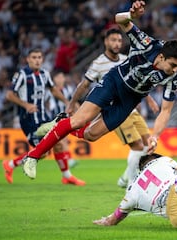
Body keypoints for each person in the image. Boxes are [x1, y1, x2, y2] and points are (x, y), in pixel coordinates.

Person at [21, 0, 177, 180]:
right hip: (114, 81)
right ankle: (32, 157)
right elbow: (119, 19)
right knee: (79, 120)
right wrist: (131, 15)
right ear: (162, 56)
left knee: (91, 135)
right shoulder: (146, 44)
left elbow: (166, 110)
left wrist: (155, 136)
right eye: (173, 65)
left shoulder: (173, 75)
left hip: (130, 100)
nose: (175, 70)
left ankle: (61, 123)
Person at [61, 28, 159, 187]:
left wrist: (149, 100)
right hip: (116, 110)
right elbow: (84, 84)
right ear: (106, 41)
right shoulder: (98, 63)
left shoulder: (125, 59)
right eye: (113, 40)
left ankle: (124, 179)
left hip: (131, 109)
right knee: (137, 146)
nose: (117, 43)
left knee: (148, 144)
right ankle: (131, 184)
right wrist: (72, 103)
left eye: (119, 41)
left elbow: (138, 80)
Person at [2, 48, 85, 185]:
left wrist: (67, 102)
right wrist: (25, 104)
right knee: (44, 152)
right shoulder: (22, 74)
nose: (37, 60)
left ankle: (67, 176)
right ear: (28, 59)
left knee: (57, 142)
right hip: (28, 119)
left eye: (39, 57)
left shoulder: (44, 74)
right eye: (34, 57)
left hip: (43, 117)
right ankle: (10, 164)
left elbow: (53, 90)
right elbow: (9, 95)